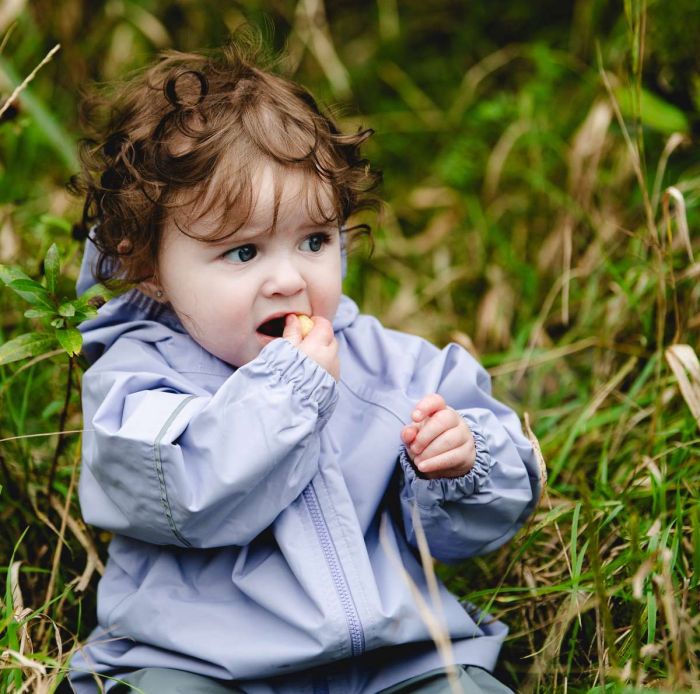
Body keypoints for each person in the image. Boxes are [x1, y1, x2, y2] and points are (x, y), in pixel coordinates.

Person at [67, 33, 541, 694]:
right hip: (201, 666)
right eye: (243, 253)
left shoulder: (386, 364)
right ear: (146, 266)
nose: (290, 279)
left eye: (315, 239)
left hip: (392, 664)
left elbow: (482, 523)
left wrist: (464, 463)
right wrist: (289, 390)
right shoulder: (137, 378)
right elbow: (186, 492)